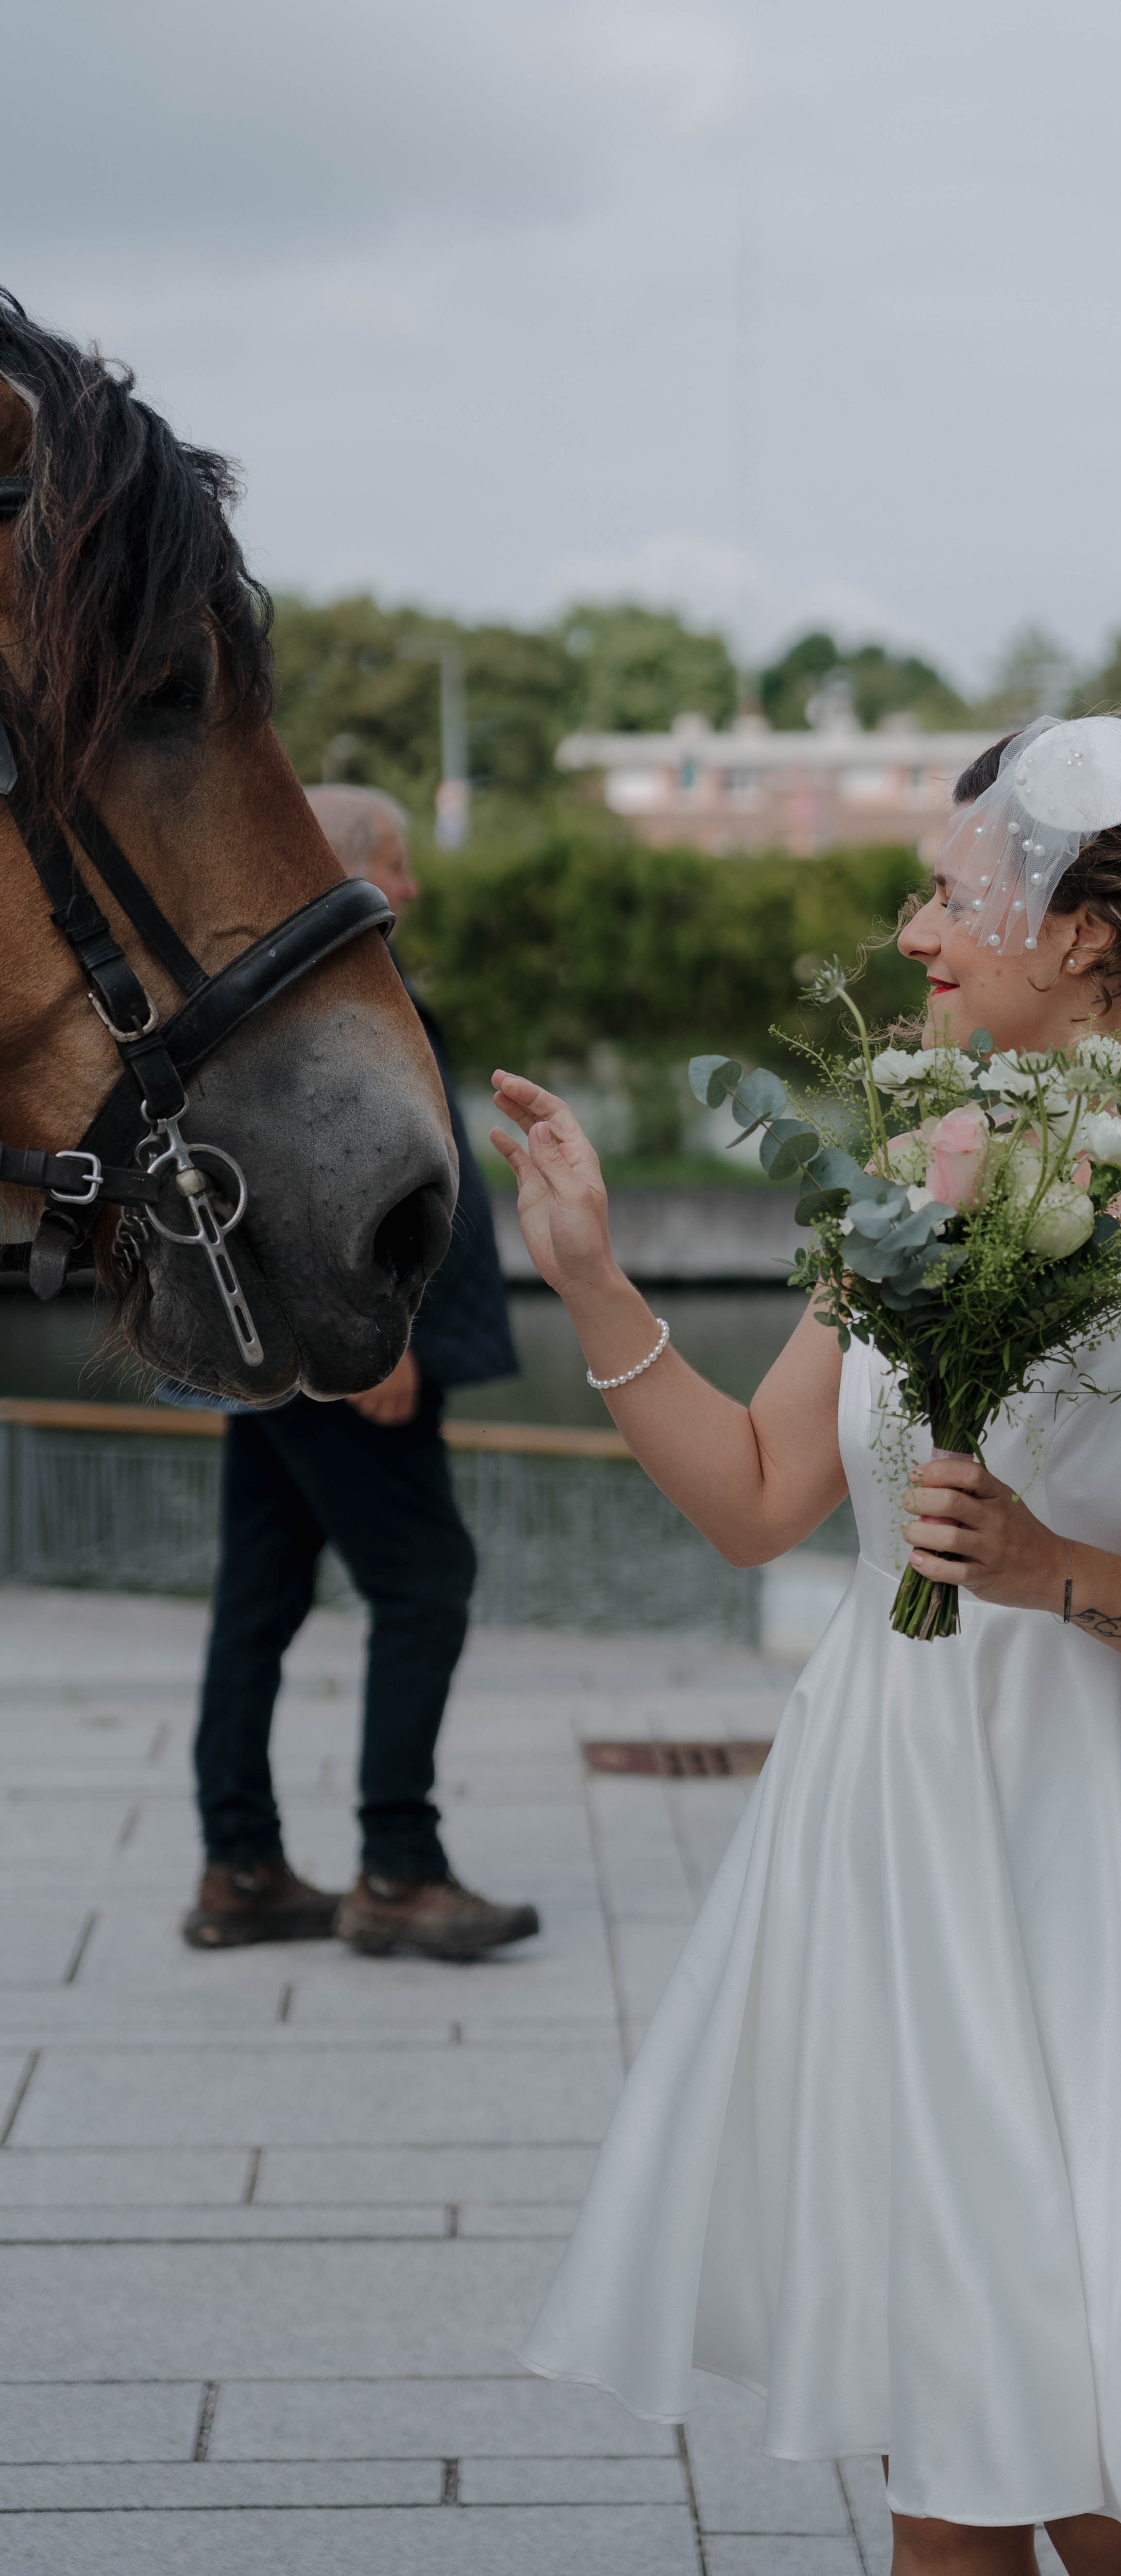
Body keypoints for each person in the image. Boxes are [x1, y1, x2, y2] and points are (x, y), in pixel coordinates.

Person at [493, 719, 1121, 2575]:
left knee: (1108, 2485)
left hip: (1115, 1888)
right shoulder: (918, 1173)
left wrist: (1055, 1570)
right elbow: (754, 1493)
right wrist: (587, 1273)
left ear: (1077, 937)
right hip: (897, 1857)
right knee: (957, 2438)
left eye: (947, 889)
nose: (910, 929)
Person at [181, 785, 539, 1963]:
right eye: (395, 862)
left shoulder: (271, 1000)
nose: (414, 885)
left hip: (280, 1358)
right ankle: (397, 1869)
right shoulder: (320, 1002)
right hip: (344, 1359)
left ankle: (241, 1869)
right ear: (339, 870)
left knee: (258, 1606)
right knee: (426, 1582)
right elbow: (333, 1191)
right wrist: (376, 1351)